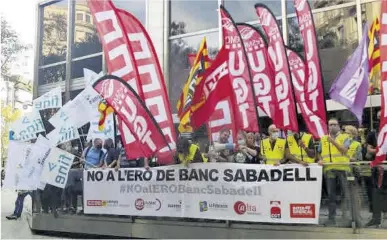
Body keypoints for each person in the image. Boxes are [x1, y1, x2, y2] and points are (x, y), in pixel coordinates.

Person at [317, 118, 352, 226]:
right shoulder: (323, 139)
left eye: (334, 125)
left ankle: (348, 218)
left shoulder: (346, 137)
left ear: (338, 126)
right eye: (330, 125)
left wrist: (333, 142)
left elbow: (344, 150)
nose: (332, 126)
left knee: (346, 194)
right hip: (329, 170)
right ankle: (331, 219)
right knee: (331, 196)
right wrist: (320, 159)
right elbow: (319, 152)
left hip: (343, 169)